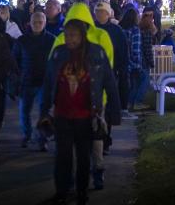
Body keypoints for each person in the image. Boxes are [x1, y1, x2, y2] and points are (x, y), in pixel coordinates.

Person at [41, 19, 121, 205]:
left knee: (84, 156)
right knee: (63, 156)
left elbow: (109, 82)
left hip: (85, 116)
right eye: (67, 35)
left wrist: (114, 112)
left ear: (82, 35)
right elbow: (48, 83)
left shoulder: (96, 53)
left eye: (73, 35)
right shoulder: (59, 53)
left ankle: (82, 191)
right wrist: (45, 110)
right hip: (62, 115)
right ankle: (62, 191)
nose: (69, 39)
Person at [13, 11, 56, 151]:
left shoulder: (52, 40)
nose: (37, 25)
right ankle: (27, 134)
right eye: (34, 22)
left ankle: (42, 139)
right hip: (27, 80)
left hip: (45, 81)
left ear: (44, 23)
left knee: (44, 112)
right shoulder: (22, 40)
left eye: (40, 22)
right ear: (30, 23)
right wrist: (18, 76)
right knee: (24, 111)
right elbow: (15, 60)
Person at [94, 0, 129, 147]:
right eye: (97, 12)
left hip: (110, 75)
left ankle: (105, 138)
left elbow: (122, 53)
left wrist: (121, 70)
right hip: (92, 75)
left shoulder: (116, 31)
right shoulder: (90, 29)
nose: (100, 14)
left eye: (102, 12)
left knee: (107, 108)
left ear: (108, 14)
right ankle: (96, 138)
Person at [119, 8, 142, 113]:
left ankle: (123, 105)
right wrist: (137, 62)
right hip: (133, 64)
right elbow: (135, 49)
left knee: (124, 85)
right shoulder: (135, 30)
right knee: (136, 84)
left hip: (122, 62)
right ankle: (129, 106)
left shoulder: (120, 28)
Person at [135, 7, 156, 110]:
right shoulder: (147, 33)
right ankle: (138, 102)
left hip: (139, 59)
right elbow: (148, 49)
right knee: (145, 81)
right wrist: (151, 62)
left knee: (138, 82)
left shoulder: (140, 30)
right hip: (144, 61)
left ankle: (133, 102)